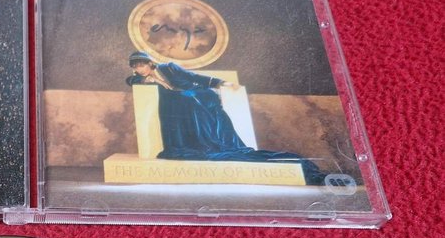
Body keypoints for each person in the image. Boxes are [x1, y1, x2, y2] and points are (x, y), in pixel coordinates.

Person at [126, 51, 326, 185]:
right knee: (181, 104)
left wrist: (221, 82)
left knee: (191, 102)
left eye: (141, 65)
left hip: (199, 95)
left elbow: (194, 77)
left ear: (150, 63)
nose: (139, 69)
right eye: (136, 67)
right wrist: (143, 79)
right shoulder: (142, 77)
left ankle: (207, 139)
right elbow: (131, 80)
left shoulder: (169, 67)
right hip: (180, 103)